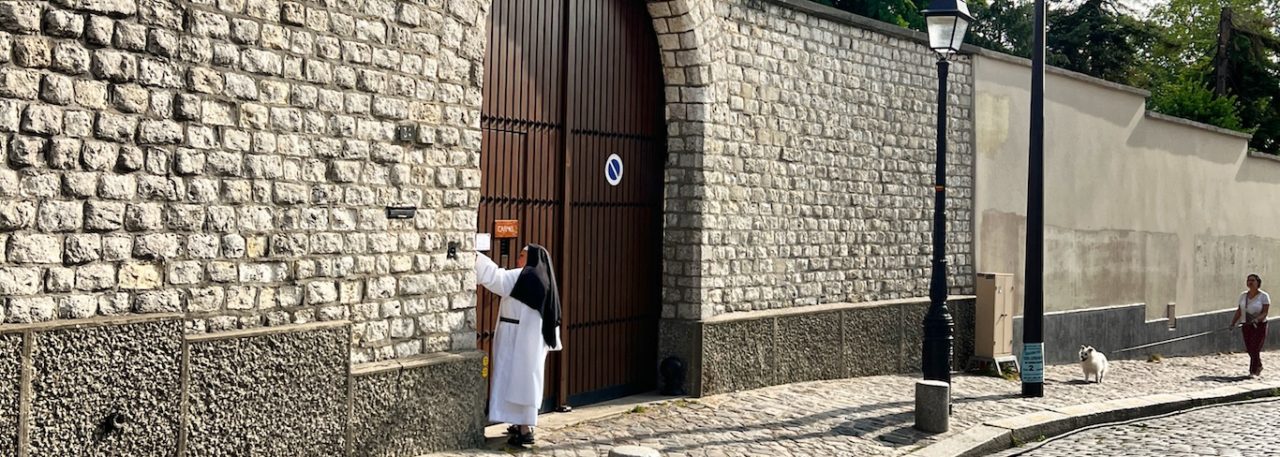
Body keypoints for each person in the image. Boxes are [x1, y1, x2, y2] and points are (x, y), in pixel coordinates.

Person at [475, 244, 562, 447]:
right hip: (531, 342)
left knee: (510, 380)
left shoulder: (523, 277)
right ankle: (521, 424)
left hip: (515, 339)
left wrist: (476, 257)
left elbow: (496, 278)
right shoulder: (545, 280)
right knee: (526, 383)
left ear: (531, 258)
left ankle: (524, 430)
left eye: (522, 255)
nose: (518, 260)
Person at [1230, 273, 1270, 378]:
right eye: (1248, 280)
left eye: (1252, 280)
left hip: (1259, 326)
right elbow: (1239, 310)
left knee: (1255, 347)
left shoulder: (1263, 296)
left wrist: (1257, 319)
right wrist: (1233, 322)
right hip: (1246, 325)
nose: (1250, 282)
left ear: (1258, 282)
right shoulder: (1243, 296)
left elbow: (1265, 312)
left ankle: (1253, 371)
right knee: (1249, 348)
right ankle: (1259, 365)